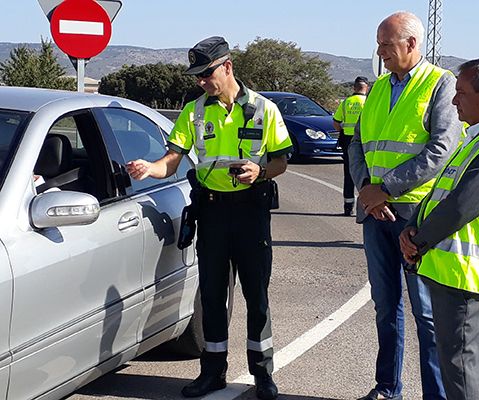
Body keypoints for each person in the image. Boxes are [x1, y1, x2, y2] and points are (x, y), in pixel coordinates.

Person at [125, 36, 292, 400]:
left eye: (206, 73)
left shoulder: (264, 109)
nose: (201, 81)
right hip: (212, 211)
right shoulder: (194, 111)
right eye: (197, 76)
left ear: (227, 67)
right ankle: (212, 372)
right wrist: (150, 168)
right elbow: (173, 157)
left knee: (256, 297)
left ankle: (263, 373)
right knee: (213, 297)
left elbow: (281, 160)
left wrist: (260, 172)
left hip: (251, 212)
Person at [349, 11, 462, 400]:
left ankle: (436, 395)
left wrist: (387, 189)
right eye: (379, 44)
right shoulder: (379, 88)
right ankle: (387, 388)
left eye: (386, 45)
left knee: (427, 316)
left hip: (417, 215)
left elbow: (442, 148)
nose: (380, 52)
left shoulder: (440, 84)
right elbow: (357, 143)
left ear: (412, 44)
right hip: (375, 213)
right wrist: (366, 188)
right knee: (385, 307)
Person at [399, 59, 479, 400]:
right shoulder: (474, 139)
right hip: (453, 274)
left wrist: (417, 241)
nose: (454, 101)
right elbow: (440, 195)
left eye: (461, 93)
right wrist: (412, 227)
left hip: (467, 278)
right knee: (457, 365)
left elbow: (460, 208)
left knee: (462, 367)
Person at [333, 76, 369, 216]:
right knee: (366, 175)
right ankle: (366, 206)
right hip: (365, 141)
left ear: (354, 88)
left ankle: (348, 207)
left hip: (348, 141)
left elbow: (336, 123)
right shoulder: (369, 102)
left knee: (349, 174)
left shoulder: (346, 102)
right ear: (366, 88)